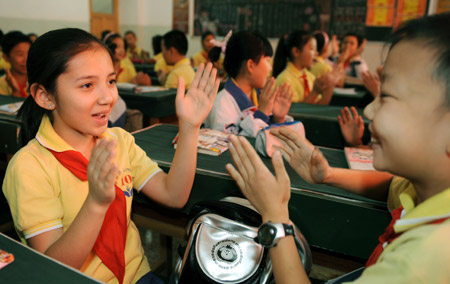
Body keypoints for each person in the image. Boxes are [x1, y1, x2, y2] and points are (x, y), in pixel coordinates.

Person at [226, 13, 450, 283]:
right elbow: (393, 185)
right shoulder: (429, 189)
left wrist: (274, 215)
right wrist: (327, 174)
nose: (369, 109)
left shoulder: (420, 262)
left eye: (387, 95)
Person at [2, 28, 220, 284]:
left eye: (111, 81)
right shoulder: (30, 167)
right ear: (45, 96)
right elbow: (53, 269)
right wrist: (95, 203)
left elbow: (174, 195)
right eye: (87, 85)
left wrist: (190, 128)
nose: (108, 98)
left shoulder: (119, 141)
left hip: (137, 276)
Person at [204, 31, 293, 137]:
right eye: (267, 61)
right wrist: (262, 115)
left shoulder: (259, 96)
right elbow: (228, 147)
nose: (270, 68)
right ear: (250, 66)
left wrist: (278, 119)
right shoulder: (222, 103)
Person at [273, 30, 337, 104]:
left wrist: (330, 86)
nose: (316, 53)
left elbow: (317, 109)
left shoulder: (309, 76)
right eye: (312, 49)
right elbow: (296, 112)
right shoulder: (285, 80)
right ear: (296, 52)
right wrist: (314, 92)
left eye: (316, 50)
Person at [0, 31, 31, 97]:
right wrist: (15, 91)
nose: (26, 59)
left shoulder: (39, 82)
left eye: (29, 53)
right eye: (20, 54)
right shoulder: (1, 84)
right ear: (6, 57)